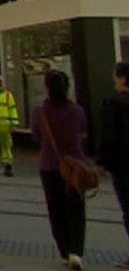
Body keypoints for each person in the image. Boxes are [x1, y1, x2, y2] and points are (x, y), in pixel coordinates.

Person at [30, 70, 88, 270]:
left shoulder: (40, 112)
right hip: (75, 167)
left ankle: (64, 249)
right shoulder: (77, 111)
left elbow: (36, 135)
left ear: (47, 88)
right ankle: (76, 252)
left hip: (49, 166)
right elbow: (83, 134)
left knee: (55, 209)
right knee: (76, 209)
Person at [97, 61, 129, 269]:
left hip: (123, 165)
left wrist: (101, 162)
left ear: (122, 78)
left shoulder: (113, 103)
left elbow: (108, 136)